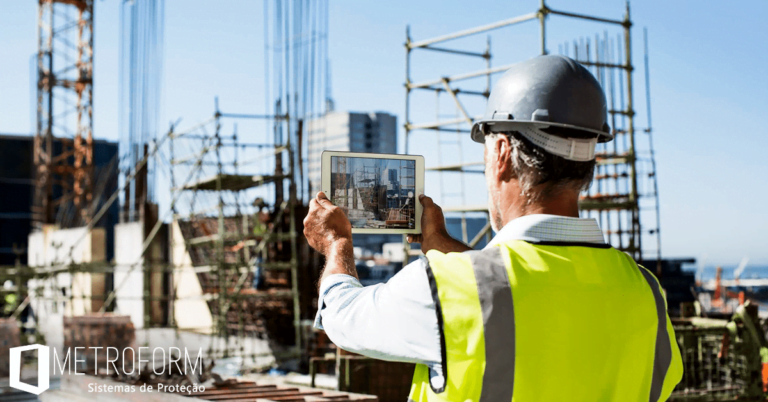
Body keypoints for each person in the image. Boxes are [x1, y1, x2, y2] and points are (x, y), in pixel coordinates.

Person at [303, 55, 683, 401]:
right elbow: (530, 296)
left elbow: (344, 318)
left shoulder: (447, 287)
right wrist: (442, 245)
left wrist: (336, 243)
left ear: (501, 154)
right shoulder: (645, 293)